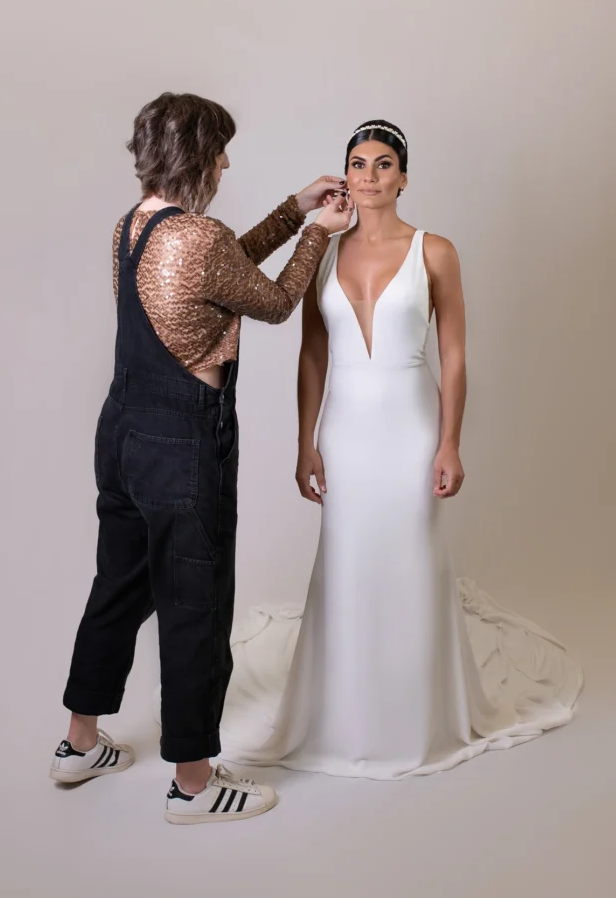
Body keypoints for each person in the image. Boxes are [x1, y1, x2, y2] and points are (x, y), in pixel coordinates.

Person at [219, 119, 583, 779]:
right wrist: (305, 442)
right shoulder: (321, 250)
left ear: (402, 177)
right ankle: (343, 716)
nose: (368, 175)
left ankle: (417, 718)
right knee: (347, 561)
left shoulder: (434, 250)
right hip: (345, 429)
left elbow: (453, 355)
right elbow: (311, 355)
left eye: (382, 164)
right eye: (357, 164)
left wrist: (449, 441)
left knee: (410, 558)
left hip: (408, 423)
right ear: (344, 176)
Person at [50, 92, 353, 823]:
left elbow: (220, 273)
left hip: (122, 433)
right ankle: (192, 783)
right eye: (219, 150)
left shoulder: (133, 228)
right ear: (196, 156)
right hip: (183, 442)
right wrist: (317, 233)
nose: (224, 163)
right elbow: (274, 301)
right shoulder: (200, 237)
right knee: (196, 603)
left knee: (117, 585)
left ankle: (79, 744)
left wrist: (291, 208)